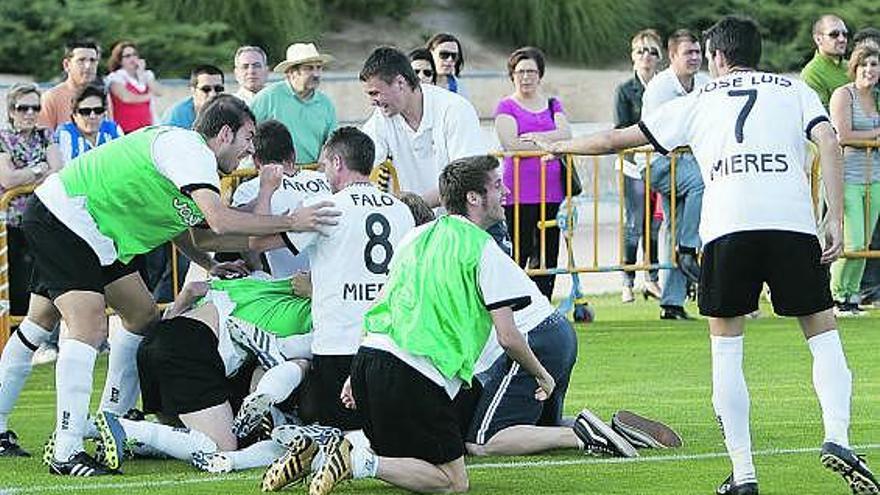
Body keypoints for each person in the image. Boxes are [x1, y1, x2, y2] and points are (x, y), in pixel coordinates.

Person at [530, 15, 879, 495]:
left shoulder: (698, 100)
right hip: (791, 224)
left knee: (727, 349)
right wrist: (834, 217)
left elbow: (619, 138)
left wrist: (561, 145)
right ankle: (837, 436)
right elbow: (828, 139)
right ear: (758, 53)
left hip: (728, 227)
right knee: (822, 336)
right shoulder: (793, 88)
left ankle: (744, 473)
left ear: (716, 58)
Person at [24, 94, 339, 476]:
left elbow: (201, 236)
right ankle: (67, 447)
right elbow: (221, 223)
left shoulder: (190, 161)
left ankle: (111, 417)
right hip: (71, 218)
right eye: (247, 137)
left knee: (139, 316)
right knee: (86, 326)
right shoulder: (191, 152)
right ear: (224, 133)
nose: (249, 150)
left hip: (99, 233)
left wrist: (209, 265)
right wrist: (292, 224)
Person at [262, 155, 553, 495]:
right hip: (419, 372)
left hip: (371, 355)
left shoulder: (415, 237)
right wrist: (542, 374)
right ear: (474, 197)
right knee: (453, 482)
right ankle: (354, 462)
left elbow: (380, 303)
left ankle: (318, 448)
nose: (505, 192)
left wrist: (356, 375)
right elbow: (508, 337)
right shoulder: (484, 248)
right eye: (497, 185)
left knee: (401, 455)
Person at [250, 126, 415, 437]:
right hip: (389, 340)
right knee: (383, 437)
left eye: (325, 164)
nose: (323, 172)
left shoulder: (326, 208)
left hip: (339, 340)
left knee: (336, 438)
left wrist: (266, 190)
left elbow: (256, 241)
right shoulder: (401, 210)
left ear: (338, 162)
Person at [0, 84, 64, 456]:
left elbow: (58, 172)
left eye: (34, 107)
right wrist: (37, 171)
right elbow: (7, 181)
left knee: (37, 308)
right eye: (22, 107)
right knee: (19, 305)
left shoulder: (47, 134)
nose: (28, 113)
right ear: (11, 111)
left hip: (45, 226)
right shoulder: (3, 138)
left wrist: (32, 173)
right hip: (13, 229)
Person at [360, 46, 486, 208]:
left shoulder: (455, 109)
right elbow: (360, 165)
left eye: (375, 93)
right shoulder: (382, 117)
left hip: (463, 225)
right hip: (418, 223)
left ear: (400, 82)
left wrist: (414, 206)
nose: (372, 101)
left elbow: (467, 178)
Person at [494, 46, 571, 301]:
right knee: (519, 252)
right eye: (520, 71)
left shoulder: (552, 104)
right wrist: (548, 142)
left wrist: (536, 138)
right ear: (512, 75)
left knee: (548, 254)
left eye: (531, 71)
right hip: (517, 193)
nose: (526, 77)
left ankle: (543, 305)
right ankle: (515, 305)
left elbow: (565, 134)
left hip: (551, 191)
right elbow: (511, 142)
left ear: (540, 75)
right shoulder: (506, 106)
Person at [641, 29, 708, 320]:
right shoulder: (658, 87)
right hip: (657, 162)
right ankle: (690, 246)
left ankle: (671, 303)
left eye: (697, 52)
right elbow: (666, 136)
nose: (695, 58)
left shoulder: (706, 83)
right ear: (672, 56)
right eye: (688, 53)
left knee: (673, 228)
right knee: (702, 182)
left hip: (689, 161)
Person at [232, 119, 331, 278]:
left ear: (256, 160)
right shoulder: (325, 180)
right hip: (331, 281)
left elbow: (247, 243)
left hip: (285, 286)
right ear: (293, 154)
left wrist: (257, 271)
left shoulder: (250, 189)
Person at [828, 45, 880, 316]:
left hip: (876, 178)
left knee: (866, 244)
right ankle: (836, 295)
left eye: (874, 64)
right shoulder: (843, 95)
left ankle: (851, 296)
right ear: (855, 67)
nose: (870, 70)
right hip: (848, 177)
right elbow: (844, 136)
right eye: (865, 65)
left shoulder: (878, 97)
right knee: (854, 242)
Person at [614, 29, 664, 303]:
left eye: (652, 51)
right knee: (634, 223)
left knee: (654, 226)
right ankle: (627, 280)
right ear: (633, 57)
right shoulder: (625, 90)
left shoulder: (664, 87)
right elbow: (620, 129)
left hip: (660, 164)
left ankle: (652, 278)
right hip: (633, 165)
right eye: (641, 51)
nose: (646, 56)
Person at [252, 43, 337, 165]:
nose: (316, 74)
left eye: (319, 67)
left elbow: (332, 141)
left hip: (313, 174)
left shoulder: (326, 103)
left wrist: (322, 165)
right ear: (291, 72)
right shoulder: (269, 96)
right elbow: (247, 133)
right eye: (309, 68)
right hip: (276, 174)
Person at [38, 40, 100, 131]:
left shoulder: (103, 95)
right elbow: (44, 139)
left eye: (92, 60)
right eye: (81, 60)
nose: (88, 66)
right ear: (66, 65)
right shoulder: (52, 97)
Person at [55, 84, 124, 164]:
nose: (92, 116)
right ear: (74, 114)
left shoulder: (113, 130)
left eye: (98, 110)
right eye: (85, 112)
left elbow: (123, 160)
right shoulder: (65, 133)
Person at [106, 40, 161, 134]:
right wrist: (149, 96)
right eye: (127, 56)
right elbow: (127, 98)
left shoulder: (146, 75)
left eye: (134, 55)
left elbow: (159, 92)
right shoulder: (115, 77)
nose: (132, 58)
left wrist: (142, 74)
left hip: (146, 127)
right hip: (125, 129)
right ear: (119, 60)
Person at [802, 14, 850, 109]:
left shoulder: (853, 66)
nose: (842, 39)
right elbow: (820, 115)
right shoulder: (811, 74)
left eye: (844, 34)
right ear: (818, 39)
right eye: (834, 35)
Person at [161, 64, 225, 129]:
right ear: (193, 90)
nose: (213, 94)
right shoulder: (176, 115)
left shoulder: (231, 110)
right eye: (206, 89)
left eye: (218, 89)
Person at [427, 33, 467, 97]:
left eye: (454, 56)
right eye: (444, 54)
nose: (449, 59)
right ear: (431, 53)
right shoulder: (418, 84)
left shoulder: (460, 87)